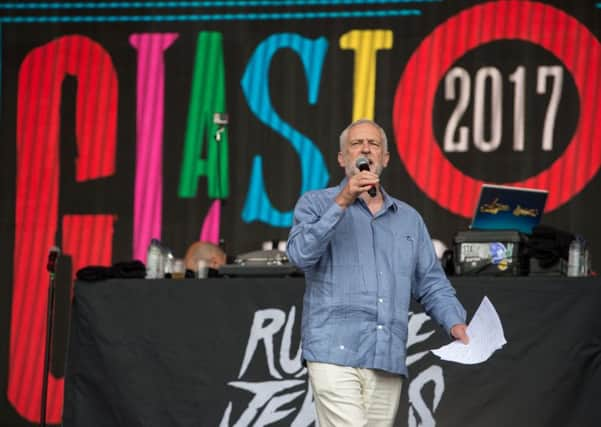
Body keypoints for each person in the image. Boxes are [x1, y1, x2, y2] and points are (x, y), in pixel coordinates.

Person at [286, 119, 469, 427]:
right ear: (343, 159)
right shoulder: (316, 203)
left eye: (374, 144)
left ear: (385, 159)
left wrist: (455, 322)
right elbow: (300, 255)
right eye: (357, 144)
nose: (366, 149)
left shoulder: (408, 219)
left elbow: (431, 282)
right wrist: (343, 200)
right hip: (334, 350)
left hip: (386, 357)